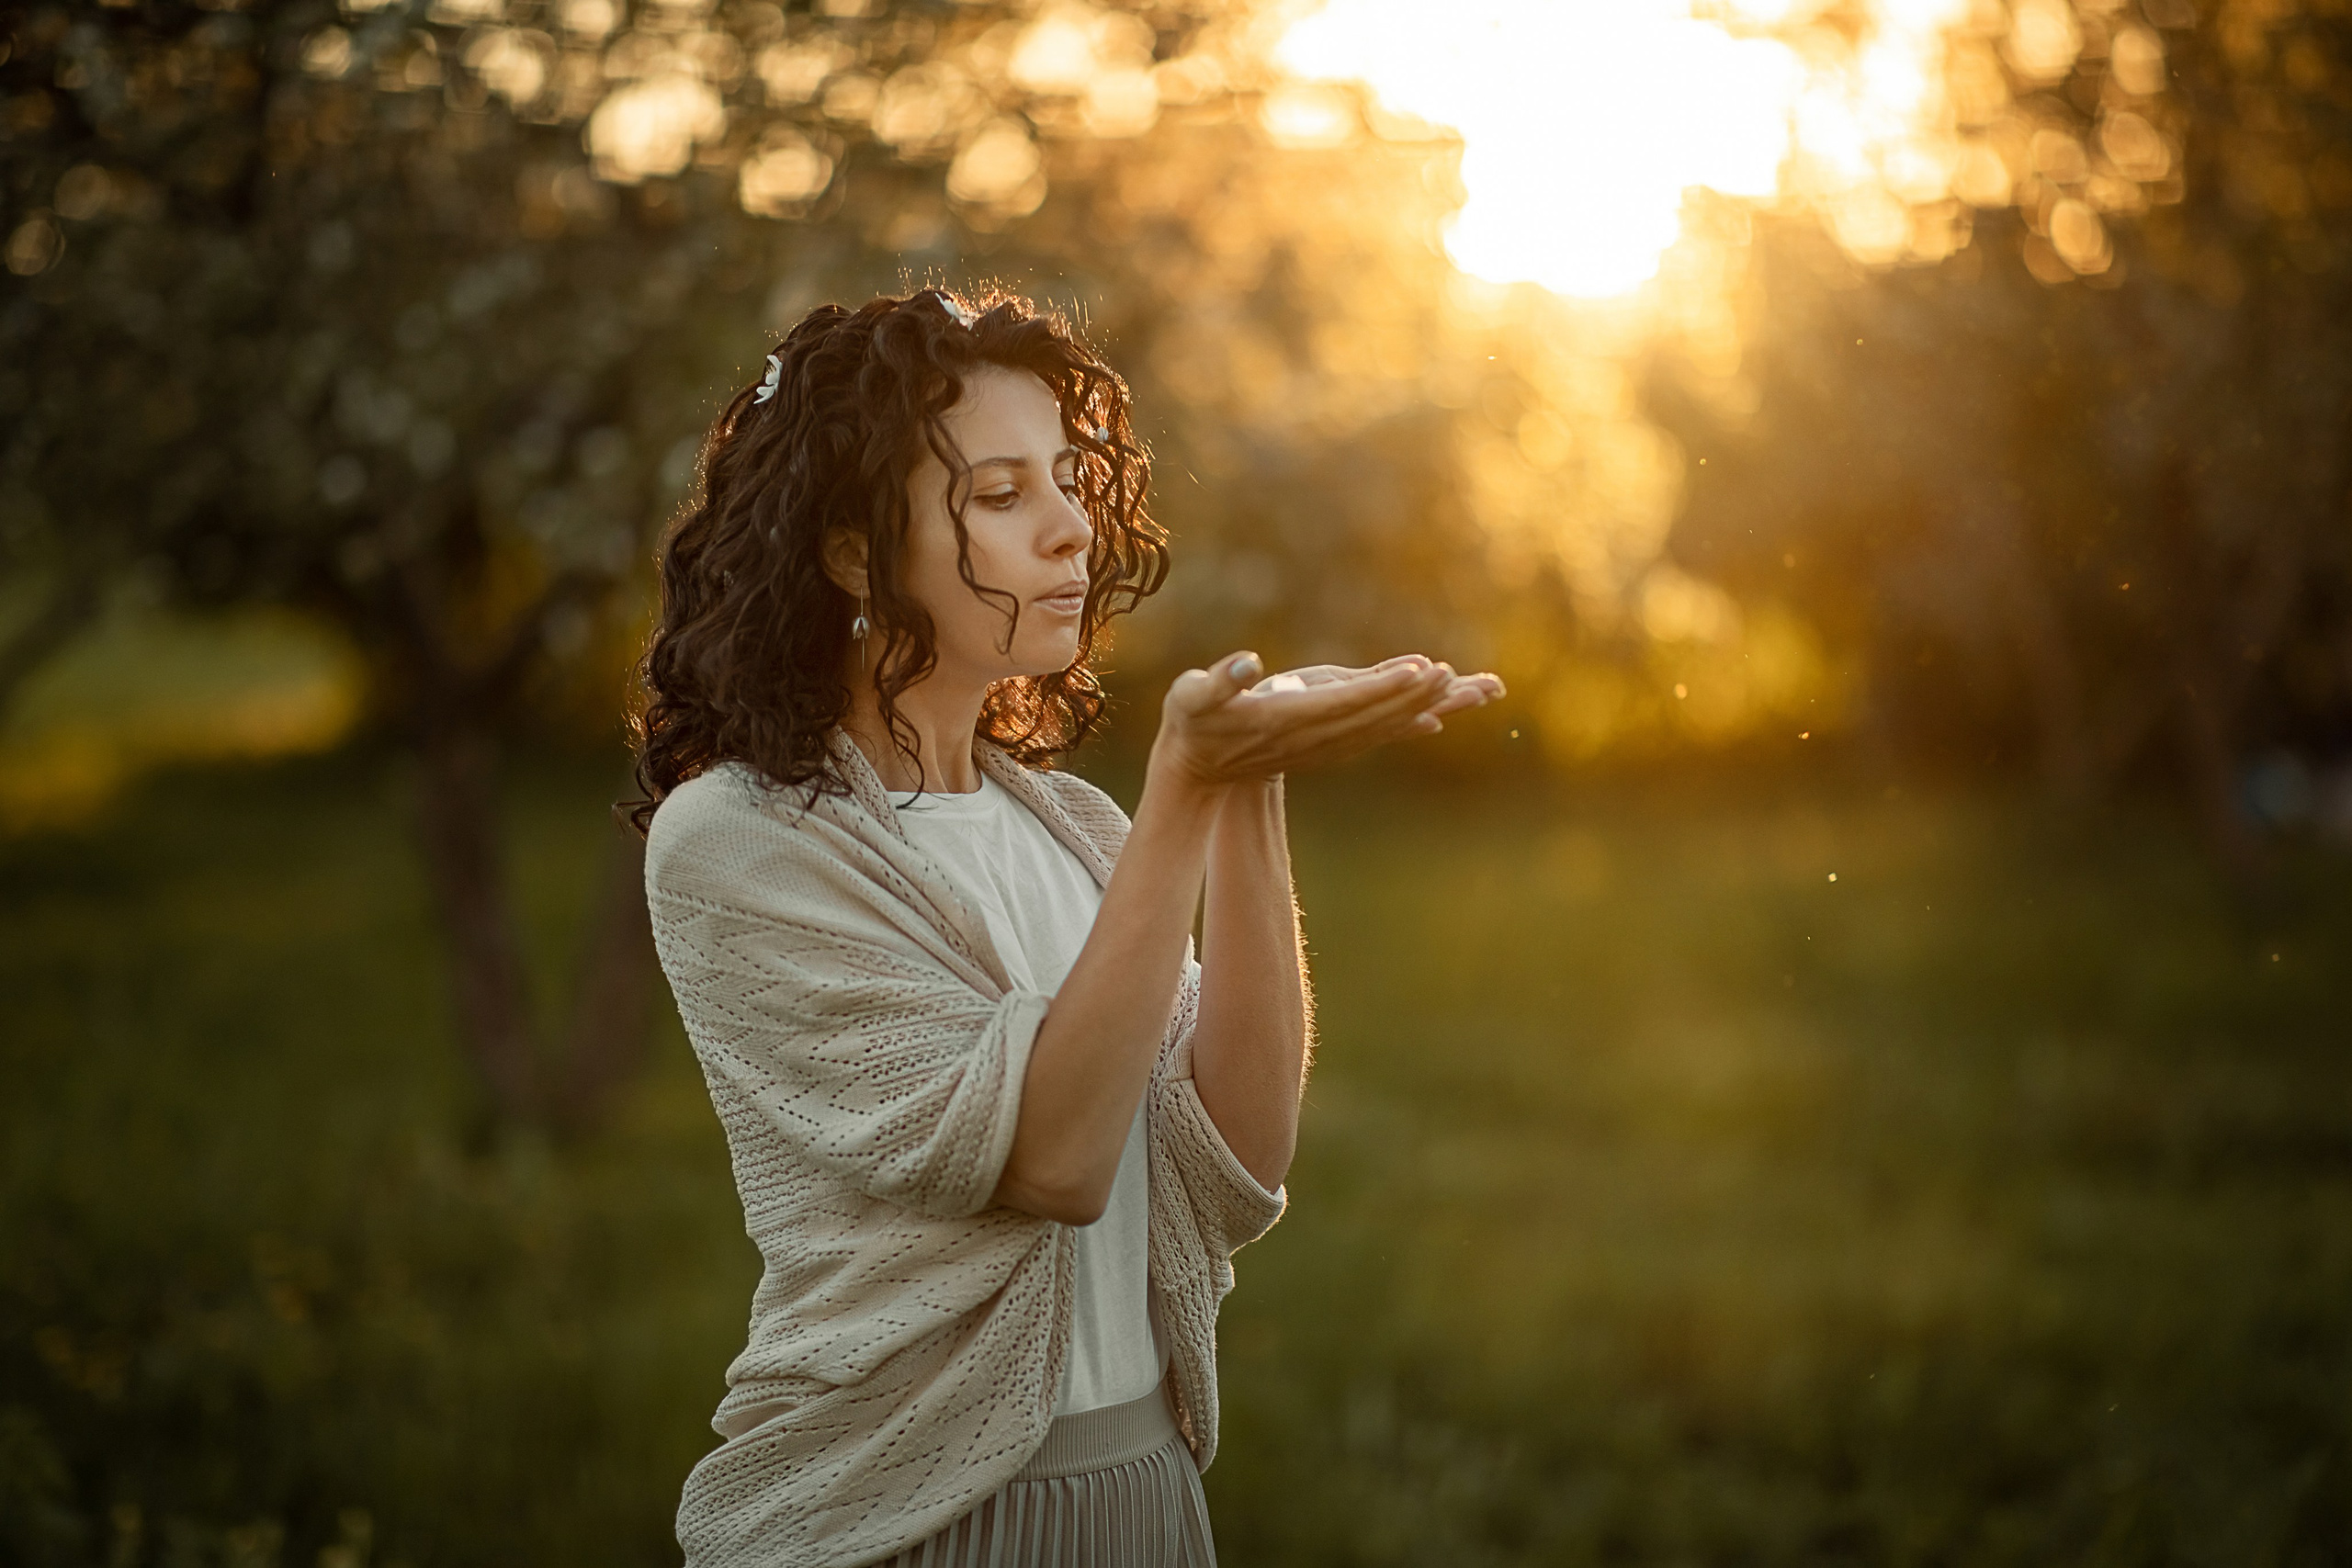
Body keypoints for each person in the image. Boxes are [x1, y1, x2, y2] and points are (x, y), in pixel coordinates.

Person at [625, 287, 1503, 1568]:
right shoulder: (742, 840)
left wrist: (1249, 786)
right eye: (999, 494)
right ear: (854, 556)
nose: (1070, 528)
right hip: (890, 1520)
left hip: (1144, 1494)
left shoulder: (1077, 830)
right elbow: (1052, 1164)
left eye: (1068, 479)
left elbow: (1239, 1157)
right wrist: (1184, 791)